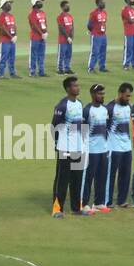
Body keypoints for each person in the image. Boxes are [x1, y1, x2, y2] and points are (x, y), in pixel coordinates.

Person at [50, 75, 86, 218]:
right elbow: (54, 127)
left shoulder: (79, 104)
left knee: (77, 178)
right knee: (62, 179)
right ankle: (57, 209)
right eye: (75, 85)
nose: (78, 87)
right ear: (68, 89)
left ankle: (76, 208)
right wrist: (59, 144)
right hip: (65, 148)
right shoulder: (62, 106)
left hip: (78, 149)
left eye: (78, 85)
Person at [81, 83, 112, 213]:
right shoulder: (87, 110)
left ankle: (99, 203)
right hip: (91, 150)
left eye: (103, 93)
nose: (102, 96)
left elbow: (107, 127)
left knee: (102, 177)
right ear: (93, 95)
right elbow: (82, 131)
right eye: (99, 93)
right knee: (88, 177)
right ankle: (84, 203)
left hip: (103, 149)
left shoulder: (105, 110)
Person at [107, 83, 134, 208]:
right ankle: (107, 201)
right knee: (111, 175)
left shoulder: (129, 106)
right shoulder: (110, 107)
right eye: (126, 96)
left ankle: (122, 200)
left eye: (129, 96)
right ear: (120, 93)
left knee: (125, 174)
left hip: (126, 147)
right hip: (113, 147)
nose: (128, 99)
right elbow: (104, 127)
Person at [86, 0, 108, 74]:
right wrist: (92, 31)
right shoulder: (93, 13)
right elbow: (89, 24)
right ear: (98, 3)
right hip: (96, 35)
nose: (104, 3)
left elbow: (104, 23)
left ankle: (102, 67)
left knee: (103, 52)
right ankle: (91, 68)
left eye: (104, 2)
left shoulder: (104, 12)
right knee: (95, 52)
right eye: (102, 2)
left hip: (103, 35)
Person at [0, 0, 17, 78]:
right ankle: (0, 73)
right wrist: (11, 37)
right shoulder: (1, 17)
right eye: (8, 3)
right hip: (5, 40)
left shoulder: (11, 16)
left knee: (12, 58)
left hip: (12, 40)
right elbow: (2, 28)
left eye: (10, 3)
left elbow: (14, 26)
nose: (10, 5)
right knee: (3, 57)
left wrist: (15, 35)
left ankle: (12, 73)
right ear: (3, 6)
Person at [28, 0, 47, 78]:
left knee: (41, 55)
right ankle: (32, 71)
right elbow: (34, 25)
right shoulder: (32, 14)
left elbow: (45, 23)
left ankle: (41, 72)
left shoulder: (42, 13)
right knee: (34, 55)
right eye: (39, 1)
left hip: (42, 37)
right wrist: (41, 33)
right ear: (35, 3)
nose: (41, 3)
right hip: (35, 37)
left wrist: (46, 32)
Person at [120, 0, 134, 71]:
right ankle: (126, 64)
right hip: (128, 32)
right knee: (128, 49)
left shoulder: (133, 9)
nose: (133, 0)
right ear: (127, 0)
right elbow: (130, 20)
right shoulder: (125, 10)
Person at [56, 0, 75, 75]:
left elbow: (72, 27)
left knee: (68, 54)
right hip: (63, 40)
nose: (68, 7)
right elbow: (61, 28)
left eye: (68, 5)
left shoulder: (70, 16)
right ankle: (60, 69)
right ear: (62, 7)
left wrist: (72, 37)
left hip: (69, 40)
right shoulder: (60, 17)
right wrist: (67, 37)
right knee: (61, 54)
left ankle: (67, 68)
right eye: (66, 5)